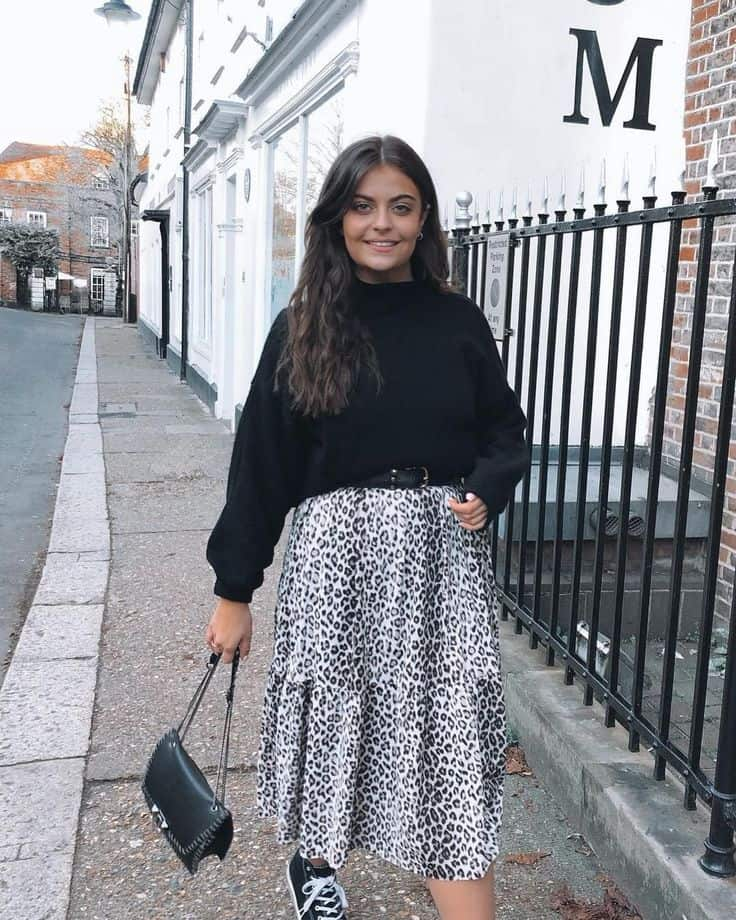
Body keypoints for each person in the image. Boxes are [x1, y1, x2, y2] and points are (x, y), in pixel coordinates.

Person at [204, 134, 529, 920]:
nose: (381, 223)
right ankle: (316, 865)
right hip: (333, 559)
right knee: (336, 714)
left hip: (438, 560)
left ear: (423, 221)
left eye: (401, 206)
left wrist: (488, 488)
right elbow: (262, 467)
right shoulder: (305, 326)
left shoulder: (457, 320)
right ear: (336, 218)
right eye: (363, 205)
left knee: (444, 732)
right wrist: (234, 590)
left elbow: (505, 429)